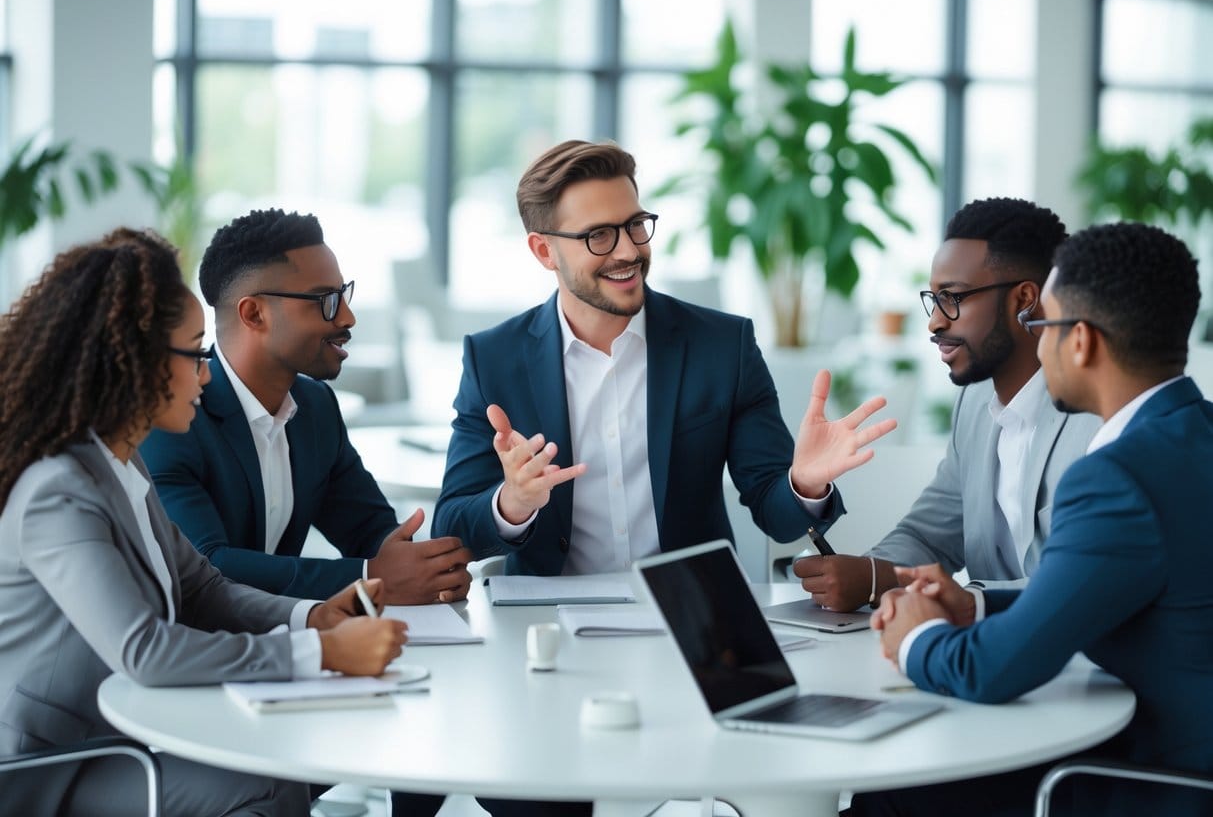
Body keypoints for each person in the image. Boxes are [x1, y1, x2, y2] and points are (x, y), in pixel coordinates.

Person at [0, 229, 407, 816]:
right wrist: (322, 653)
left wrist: (311, 616)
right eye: (194, 353)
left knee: (276, 764)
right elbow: (144, 649)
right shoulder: (57, 491)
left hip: (123, 732)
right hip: (49, 766)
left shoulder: (121, 461)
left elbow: (201, 587)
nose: (208, 374)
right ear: (131, 362)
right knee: (268, 784)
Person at [858, 222, 1213, 816]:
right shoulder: (1193, 434)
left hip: (1145, 782)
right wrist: (972, 605)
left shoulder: (1116, 478)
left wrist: (914, 636)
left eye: (1044, 326)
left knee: (898, 786)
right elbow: (1114, 595)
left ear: (1080, 343)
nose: (1037, 347)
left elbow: (993, 670)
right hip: (1173, 757)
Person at [433, 139, 895, 583]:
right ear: (543, 251)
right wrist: (512, 502)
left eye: (635, 224)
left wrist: (805, 484)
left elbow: (779, 519)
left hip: (694, 611)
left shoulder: (723, 346)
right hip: (548, 617)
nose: (629, 251)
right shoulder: (493, 358)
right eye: (599, 236)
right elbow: (451, 528)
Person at [141, 208, 472, 606]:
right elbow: (208, 566)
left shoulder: (315, 407)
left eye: (343, 295)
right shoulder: (174, 417)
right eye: (325, 301)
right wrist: (370, 576)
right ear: (254, 313)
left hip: (292, 645)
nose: (346, 316)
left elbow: (368, 529)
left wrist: (425, 566)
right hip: (199, 652)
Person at [795, 198, 1100, 612]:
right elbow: (928, 537)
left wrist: (890, 583)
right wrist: (867, 572)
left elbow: (1079, 585)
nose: (935, 322)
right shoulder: (975, 404)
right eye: (933, 299)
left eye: (953, 298)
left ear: (1024, 299)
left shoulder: (1096, 417)